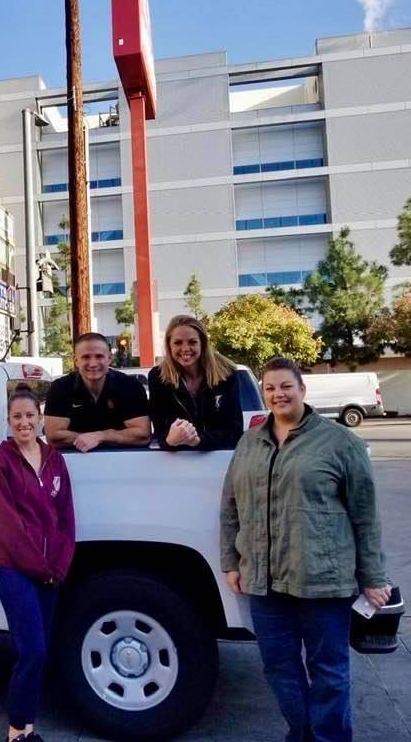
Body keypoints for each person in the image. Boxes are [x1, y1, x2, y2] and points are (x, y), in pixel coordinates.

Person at [220, 357, 391, 742]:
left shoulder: (339, 442)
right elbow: (230, 506)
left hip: (322, 580)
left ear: (302, 389)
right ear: (263, 393)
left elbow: (365, 515)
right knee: (278, 668)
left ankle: (328, 737)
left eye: (286, 386)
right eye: (270, 388)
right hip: (262, 580)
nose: (278, 394)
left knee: (329, 670)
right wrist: (231, 561)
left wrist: (373, 577)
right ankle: (303, 734)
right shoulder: (250, 442)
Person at [0, 387, 75, 742]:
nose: (24, 422)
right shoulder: (0, 461)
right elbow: (6, 523)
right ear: (8, 421)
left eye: (29, 415)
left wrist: (61, 563)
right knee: (31, 649)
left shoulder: (54, 458)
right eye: (17, 417)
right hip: (15, 570)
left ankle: (28, 728)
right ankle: (16, 729)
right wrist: (40, 567)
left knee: (41, 650)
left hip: (52, 571)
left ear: (40, 418)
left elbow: (65, 516)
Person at [148, 314, 243, 450]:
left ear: (202, 343)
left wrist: (198, 441)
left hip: (219, 459)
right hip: (177, 462)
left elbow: (235, 432)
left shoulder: (227, 374)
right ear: (169, 345)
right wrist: (169, 441)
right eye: (178, 342)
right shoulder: (158, 377)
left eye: (192, 342)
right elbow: (160, 432)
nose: (185, 349)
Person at [44, 332, 150, 451]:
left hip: (124, 463)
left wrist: (100, 436)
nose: (93, 364)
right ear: (76, 361)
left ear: (109, 358)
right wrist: (90, 439)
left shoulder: (130, 386)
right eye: (86, 357)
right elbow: (54, 437)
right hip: (74, 464)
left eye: (99, 356)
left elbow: (143, 435)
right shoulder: (60, 387)